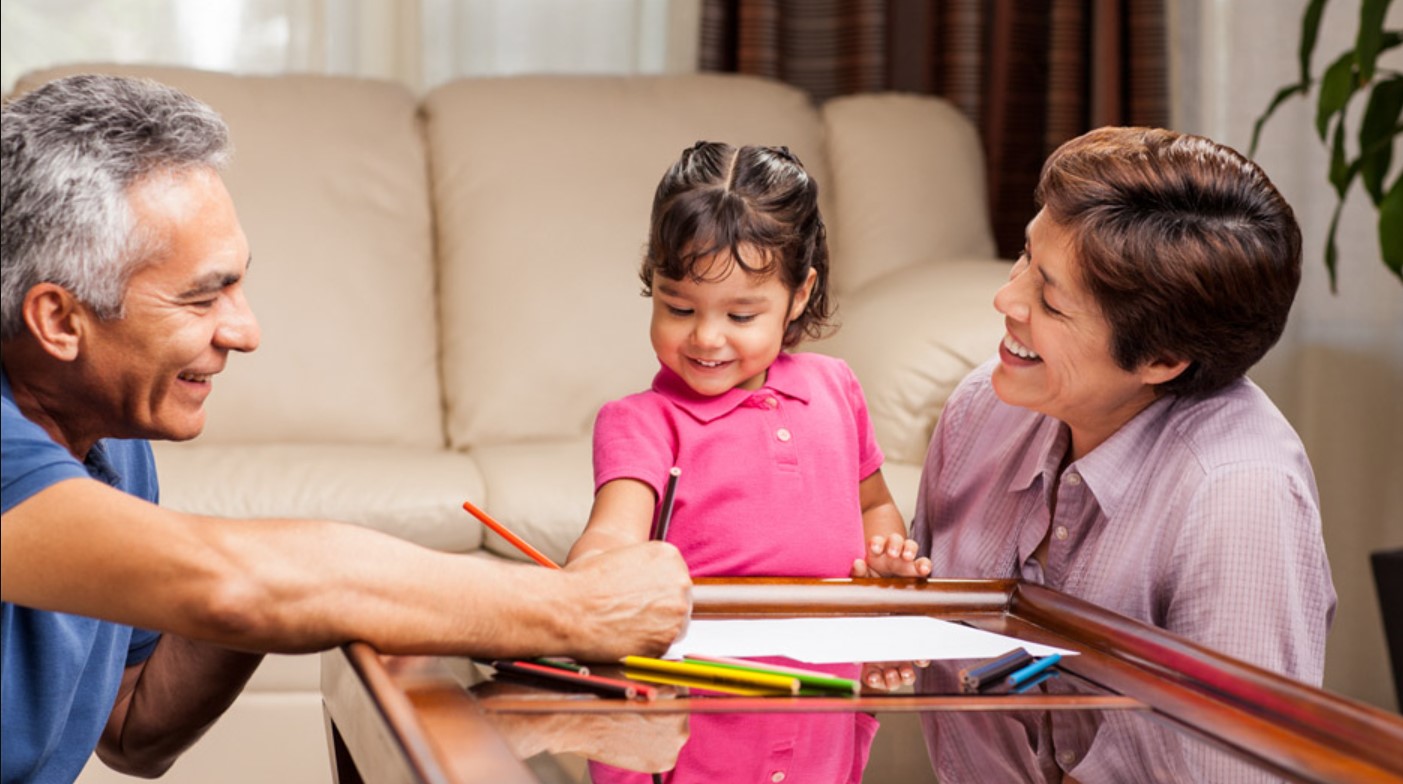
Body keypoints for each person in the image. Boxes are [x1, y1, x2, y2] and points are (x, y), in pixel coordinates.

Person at [0, 73, 691, 784]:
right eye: (203, 297)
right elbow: (230, 587)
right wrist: (580, 609)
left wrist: (308, 589)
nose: (246, 330)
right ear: (58, 320)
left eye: (237, 285)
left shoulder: (109, 434)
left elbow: (132, 730)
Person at [911, 126, 1336, 782]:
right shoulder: (979, 410)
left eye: (1049, 301)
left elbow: (1239, 773)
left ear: (1161, 359)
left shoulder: (1237, 494)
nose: (1005, 299)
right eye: (1023, 256)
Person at [567, 141, 930, 784]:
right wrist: (593, 572)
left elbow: (873, 503)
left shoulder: (836, 386)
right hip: (694, 715)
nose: (706, 337)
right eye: (678, 307)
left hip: (826, 696)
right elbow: (613, 532)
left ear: (799, 295)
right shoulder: (640, 421)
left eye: (740, 314)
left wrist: (885, 556)